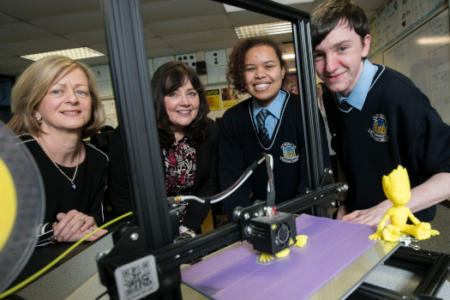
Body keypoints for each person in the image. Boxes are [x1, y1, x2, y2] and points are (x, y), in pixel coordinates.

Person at [311, 0, 450, 226]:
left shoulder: (398, 95)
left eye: (342, 48)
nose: (329, 66)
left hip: (403, 223)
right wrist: (343, 203)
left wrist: (388, 208)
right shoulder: (329, 95)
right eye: (319, 55)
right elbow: (347, 154)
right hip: (358, 219)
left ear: (365, 45)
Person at [219, 37, 330, 219]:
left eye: (269, 66)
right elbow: (232, 184)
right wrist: (249, 222)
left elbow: (314, 176)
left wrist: (296, 220)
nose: (260, 74)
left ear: (282, 70)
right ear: (241, 75)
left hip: (304, 216)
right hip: (257, 219)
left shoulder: (304, 110)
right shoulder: (232, 120)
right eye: (250, 68)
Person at [8, 56, 108, 245]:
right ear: (34, 108)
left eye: (82, 92)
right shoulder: (12, 157)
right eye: (57, 91)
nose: (72, 99)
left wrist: (88, 222)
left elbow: (97, 219)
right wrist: (51, 232)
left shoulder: (98, 160)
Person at [109, 61, 218, 234]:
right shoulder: (130, 135)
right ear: (158, 98)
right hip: (142, 230)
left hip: (188, 229)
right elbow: (121, 196)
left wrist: (188, 227)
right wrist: (139, 234)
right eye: (173, 94)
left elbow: (208, 185)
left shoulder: (209, 130)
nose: (185, 102)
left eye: (191, 93)